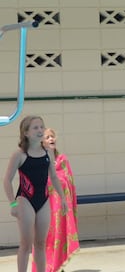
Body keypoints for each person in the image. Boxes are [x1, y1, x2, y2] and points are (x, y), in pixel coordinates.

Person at [3, 115, 67, 272]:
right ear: (26, 133)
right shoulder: (19, 154)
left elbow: (53, 176)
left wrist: (63, 198)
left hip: (43, 200)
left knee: (40, 243)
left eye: (41, 127)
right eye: (35, 128)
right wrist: (13, 203)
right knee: (26, 243)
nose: (40, 130)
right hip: (25, 200)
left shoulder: (48, 153)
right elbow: (6, 180)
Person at [32, 128, 79, 272]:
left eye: (52, 136)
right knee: (45, 238)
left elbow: (68, 182)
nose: (51, 139)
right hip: (44, 207)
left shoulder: (62, 160)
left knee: (58, 236)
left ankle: (58, 267)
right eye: (47, 137)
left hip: (59, 209)